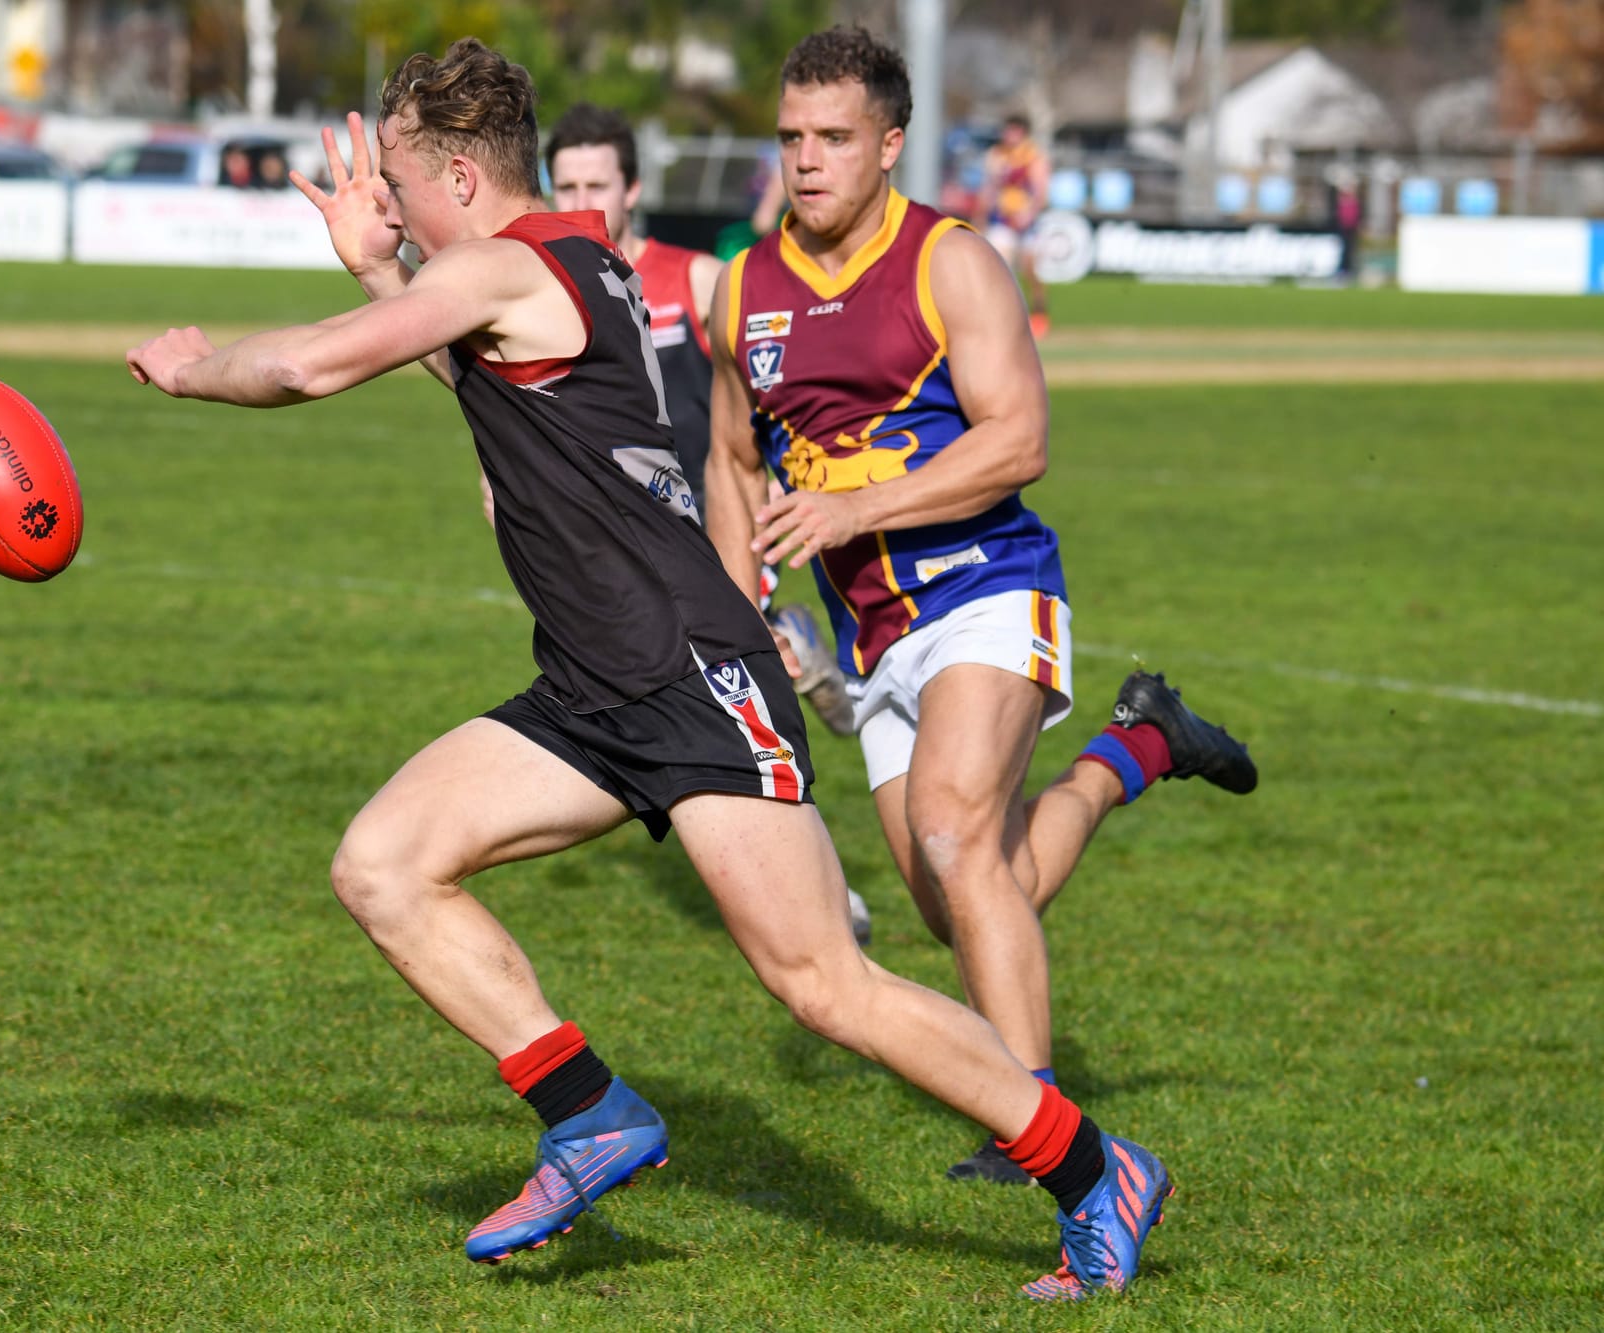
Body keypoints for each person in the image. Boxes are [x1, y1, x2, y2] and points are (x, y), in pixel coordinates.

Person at [125, 37, 1174, 1302]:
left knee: (822, 984)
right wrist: (380, 264)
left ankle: (1091, 1169)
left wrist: (191, 368)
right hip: (587, 685)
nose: (390, 204)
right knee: (384, 863)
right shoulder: (557, 269)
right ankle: (588, 1116)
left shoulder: (522, 264)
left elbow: (306, 365)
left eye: (399, 185)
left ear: (459, 172)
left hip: (686, 676)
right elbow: (478, 374)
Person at [704, 27, 1256, 1207]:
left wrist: (857, 504)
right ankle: (1136, 746)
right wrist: (727, 600)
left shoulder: (950, 262)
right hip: (874, 632)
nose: (806, 161)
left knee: (957, 836)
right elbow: (726, 457)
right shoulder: (741, 288)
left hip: (988, 584)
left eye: (833, 139)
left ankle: (1039, 1125)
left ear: (889, 143)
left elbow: (1020, 441)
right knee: (965, 887)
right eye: (791, 138)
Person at [542, 102, 858, 749]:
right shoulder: (545, 293)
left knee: (718, 710)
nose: (580, 201)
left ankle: (794, 674)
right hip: (617, 540)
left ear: (631, 189)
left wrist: (783, 472)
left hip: (716, 521)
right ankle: (788, 643)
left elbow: (785, 377)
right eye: (567, 187)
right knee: (691, 709)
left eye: (595, 186)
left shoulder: (695, 280)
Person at [974, 114, 1051, 339]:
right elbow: (989, 188)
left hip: (1028, 221)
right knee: (1002, 267)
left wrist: (1029, 214)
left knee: (1030, 270)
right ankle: (1006, 319)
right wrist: (980, 216)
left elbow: (1041, 192)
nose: (1009, 136)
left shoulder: (1033, 156)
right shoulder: (997, 156)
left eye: (1014, 131)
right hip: (1003, 219)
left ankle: (1039, 313)